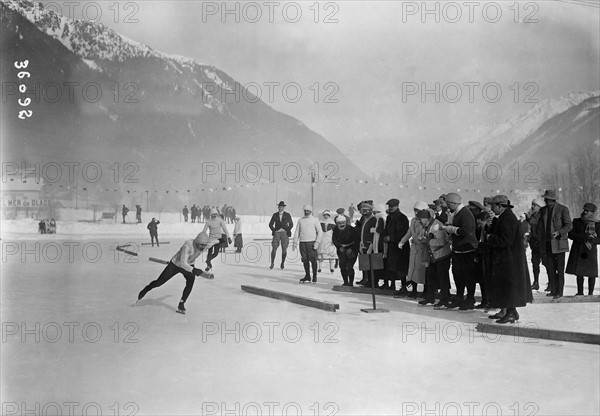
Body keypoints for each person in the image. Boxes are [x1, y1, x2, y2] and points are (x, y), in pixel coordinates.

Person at [482, 195, 532, 324]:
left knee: (509, 287)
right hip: (506, 258)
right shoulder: (504, 217)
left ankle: (510, 312)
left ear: (500, 206)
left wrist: (490, 238)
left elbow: (505, 240)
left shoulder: (508, 219)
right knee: (505, 286)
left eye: (493, 206)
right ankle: (508, 311)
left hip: (509, 260)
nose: (492, 209)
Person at [137, 232, 214, 314]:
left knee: (190, 282)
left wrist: (222, 239)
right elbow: (183, 263)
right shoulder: (188, 246)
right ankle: (147, 288)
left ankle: (181, 303)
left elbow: (215, 241)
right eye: (201, 245)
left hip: (189, 264)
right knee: (159, 282)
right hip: (175, 265)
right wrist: (194, 270)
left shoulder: (204, 245)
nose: (203, 247)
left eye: (204, 245)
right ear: (196, 242)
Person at [440, 192, 478, 310]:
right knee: (457, 274)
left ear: (453, 203)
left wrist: (450, 228)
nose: (447, 206)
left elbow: (466, 231)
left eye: (448, 204)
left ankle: (470, 299)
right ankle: (459, 297)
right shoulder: (457, 213)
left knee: (468, 276)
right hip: (458, 249)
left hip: (467, 249)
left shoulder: (465, 213)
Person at [537, 189, 572, 299]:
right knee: (550, 268)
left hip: (559, 244)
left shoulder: (563, 209)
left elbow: (569, 226)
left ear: (553, 200)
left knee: (559, 269)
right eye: (546, 200)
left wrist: (559, 232)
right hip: (547, 244)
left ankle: (559, 291)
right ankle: (553, 289)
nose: (547, 202)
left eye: (548, 200)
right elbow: (538, 224)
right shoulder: (542, 210)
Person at [417, 209, 451, 307]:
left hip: (442, 255)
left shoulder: (437, 226)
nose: (419, 221)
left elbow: (442, 242)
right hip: (432, 255)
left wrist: (427, 241)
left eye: (421, 219)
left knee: (442, 278)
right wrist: (422, 239)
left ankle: (444, 299)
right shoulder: (425, 225)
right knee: (430, 276)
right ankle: (430, 298)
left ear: (426, 218)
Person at [566, 203, 599, 296]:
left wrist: (593, 239)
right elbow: (571, 235)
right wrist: (583, 237)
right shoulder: (577, 221)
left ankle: (590, 293)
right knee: (579, 272)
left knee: (591, 273)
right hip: (579, 249)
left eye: (587, 211)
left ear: (592, 212)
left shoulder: (597, 223)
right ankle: (580, 292)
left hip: (590, 250)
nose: (584, 212)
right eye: (584, 209)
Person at [398, 201, 430, 298]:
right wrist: (402, 241)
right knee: (413, 269)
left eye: (418, 210)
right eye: (415, 210)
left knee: (423, 270)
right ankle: (414, 290)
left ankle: (426, 291)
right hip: (414, 248)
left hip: (424, 248)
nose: (416, 212)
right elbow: (410, 232)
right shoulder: (413, 220)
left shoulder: (427, 221)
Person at [382, 198, 410, 293]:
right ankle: (392, 285)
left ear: (397, 206)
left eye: (392, 206)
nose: (390, 208)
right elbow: (386, 229)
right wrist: (386, 236)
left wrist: (391, 238)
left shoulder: (403, 218)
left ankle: (403, 286)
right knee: (391, 266)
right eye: (389, 206)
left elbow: (404, 232)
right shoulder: (389, 217)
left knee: (401, 267)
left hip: (401, 246)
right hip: (392, 246)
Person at [292, 204, 322, 283]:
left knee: (313, 260)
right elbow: (297, 231)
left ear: (311, 211)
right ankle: (307, 275)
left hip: (311, 243)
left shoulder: (315, 220)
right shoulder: (301, 220)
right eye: (305, 211)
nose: (306, 212)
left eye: (308, 211)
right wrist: (295, 242)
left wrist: (317, 243)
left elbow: (320, 232)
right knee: (305, 260)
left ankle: (314, 276)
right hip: (302, 243)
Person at [332, 215, 360, 286]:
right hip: (341, 250)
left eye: (343, 222)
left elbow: (357, 240)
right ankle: (345, 282)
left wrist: (351, 248)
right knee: (342, 265)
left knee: (349, 266)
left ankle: (350, 283)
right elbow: (334, 239)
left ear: (345, 222)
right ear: (337, 224)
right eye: (339, 223)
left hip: (352, 249)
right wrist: (339, 247)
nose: (341, 224)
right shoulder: (335, 230)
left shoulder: (352, 229)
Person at [355, 201, 378, 287]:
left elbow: (373, 234)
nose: (364, 212)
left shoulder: (373, 219)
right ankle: (368, 280)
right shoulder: (364, 219)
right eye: (362, 210)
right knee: (366, 265)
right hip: (363, 244)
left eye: (366, 210)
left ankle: (373, 282)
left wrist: (371, 244)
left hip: (370, 245)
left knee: (372, 265)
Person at [525, 198, 545, 291]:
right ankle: (536, 282)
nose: (532, 207)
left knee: (546, 263)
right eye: (532, 204)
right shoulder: (533, 215)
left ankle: (552, 283)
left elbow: (536, 224)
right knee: (535, 263)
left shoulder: (542, 215)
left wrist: (529, 219)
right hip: (535, 243)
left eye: (534, 205)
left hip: (542, 243)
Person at [268, 201, 294, 269]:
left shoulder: (287, 215)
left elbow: (291, 224)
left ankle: (282, 263)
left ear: (284, 207)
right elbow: (270, 224)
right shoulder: (275, 215)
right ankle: (272, 263)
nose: (280, 208)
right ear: (278, 207)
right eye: (279, 207)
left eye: (282, 207)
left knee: (284, 249)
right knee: (274, 248)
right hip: (277, 233)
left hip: (284, 233)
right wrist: (274, 230)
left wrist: (286, 230)